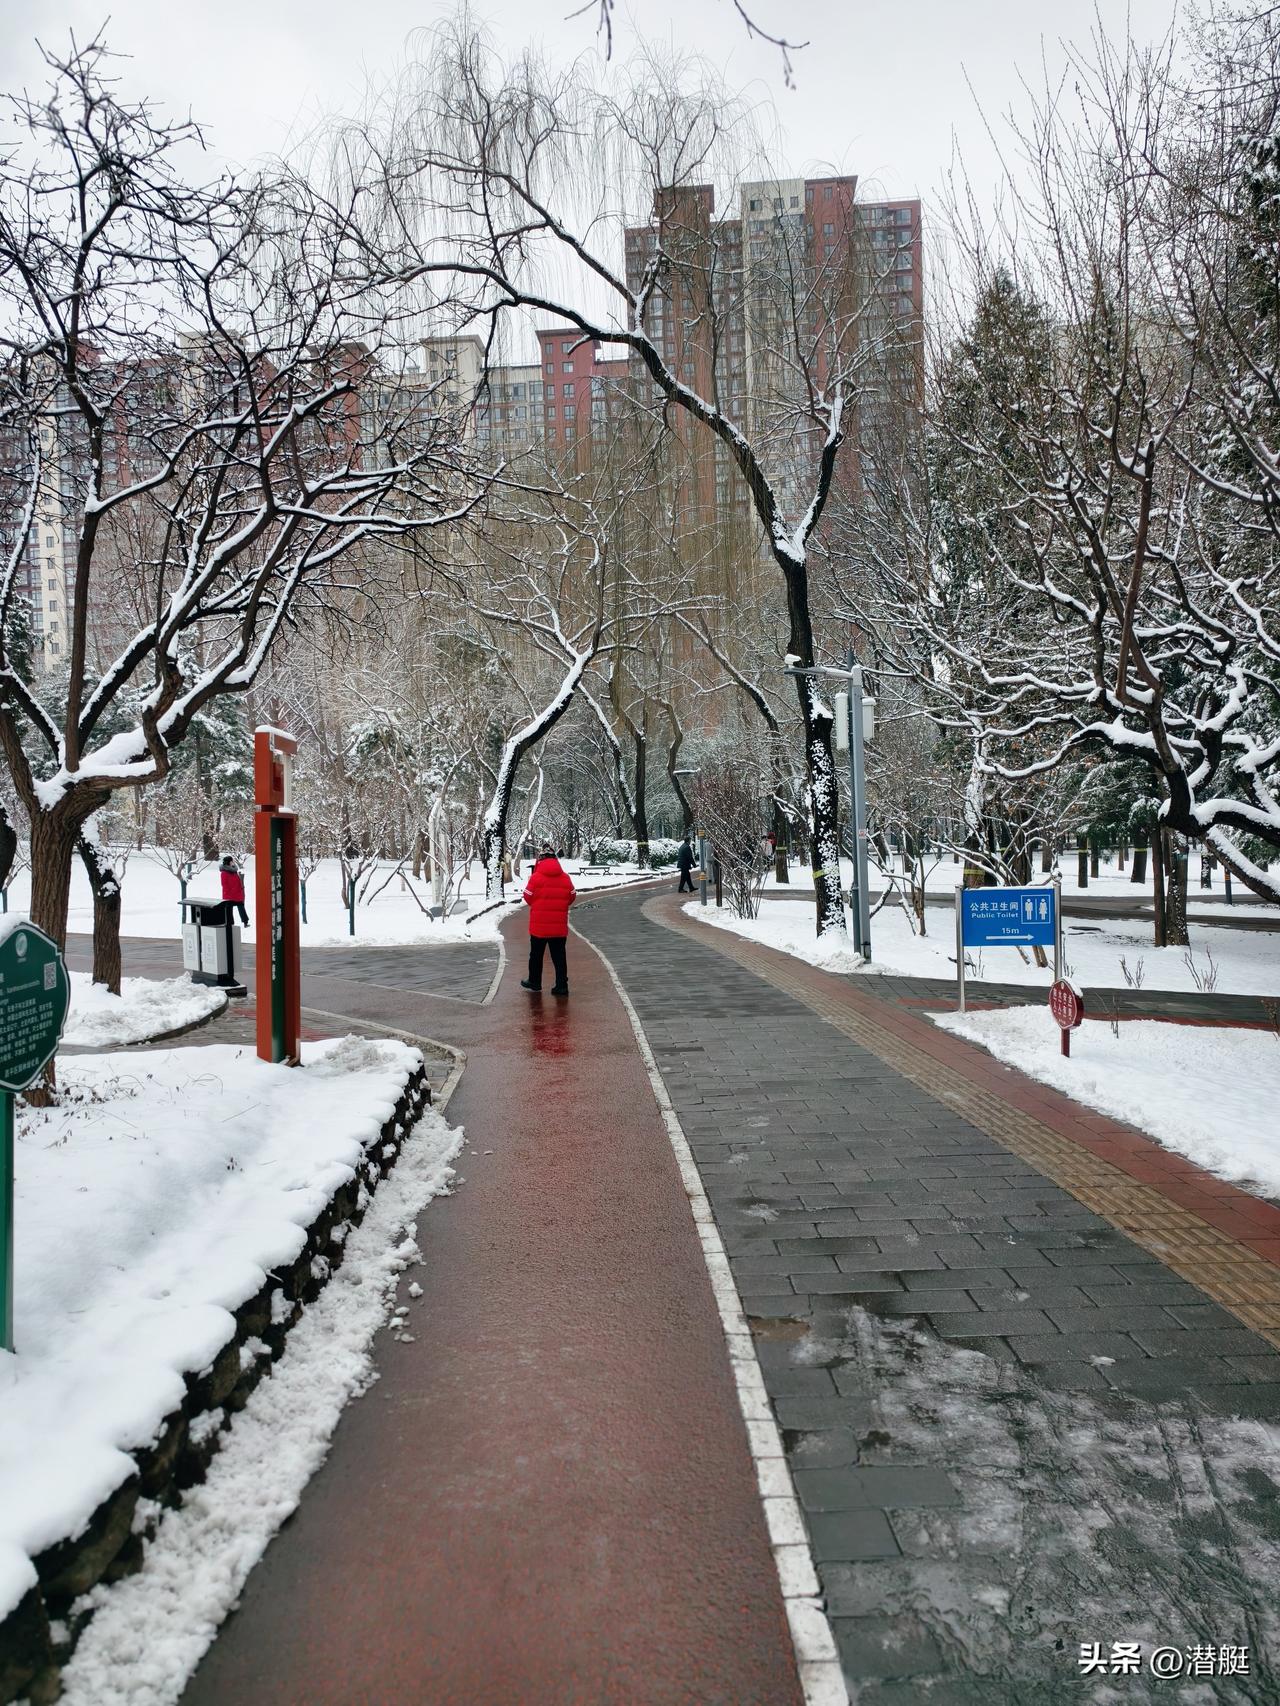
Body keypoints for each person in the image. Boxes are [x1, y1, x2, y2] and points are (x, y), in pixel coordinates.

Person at [520, 844, 575, 996]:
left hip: (539, 927)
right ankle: (561, 986)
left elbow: (527, 896)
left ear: (541, 860)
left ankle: (535, 982)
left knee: (536, 955)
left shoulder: (536, 877)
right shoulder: (565, 877)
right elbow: (571, 896)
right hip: (559, 927)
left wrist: (538, 905)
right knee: (559, 957)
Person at [219, 855, 249, 927]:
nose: (233, 862)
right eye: (232, 861)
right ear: (228, 862)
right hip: (229, 895)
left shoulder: (234, 871)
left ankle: (245, 922)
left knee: (241, 906)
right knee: (229, 910)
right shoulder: (224, 873)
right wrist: (231, 892)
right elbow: (224, 884)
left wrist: (240, 890)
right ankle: (230, 924)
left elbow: (238, 882)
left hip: (237, 893)